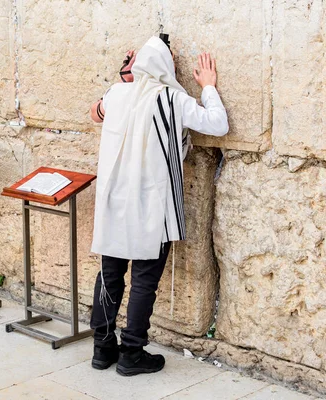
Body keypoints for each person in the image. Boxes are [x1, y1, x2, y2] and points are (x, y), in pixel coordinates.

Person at [88, 35, 229, 376]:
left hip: (114, 203)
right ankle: (132, 353)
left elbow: (95, 113)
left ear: (136, 67)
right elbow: (218, 124)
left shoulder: (117, 93)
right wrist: (208, 86)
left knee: (110, 275)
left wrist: (125, 76)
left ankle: (102, 349)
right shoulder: (173, 100)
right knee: (144, 281)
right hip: (153, 207)